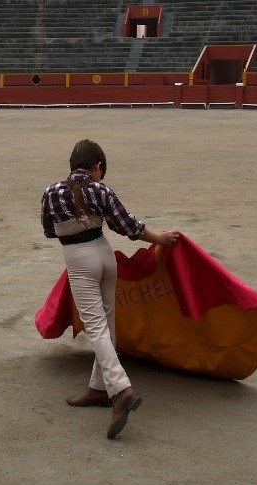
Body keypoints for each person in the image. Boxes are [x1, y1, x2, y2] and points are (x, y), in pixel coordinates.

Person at [41, 139, 179, 439]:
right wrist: (161, 239)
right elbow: (129, 226)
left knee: (96, 328)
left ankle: (120, 390)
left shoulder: (52, 192)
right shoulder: (101, 190)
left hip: (79, 260)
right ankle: (98, 389)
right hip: (105, 257)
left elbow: (49, 230)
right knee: (107, 322)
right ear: (97, 167)